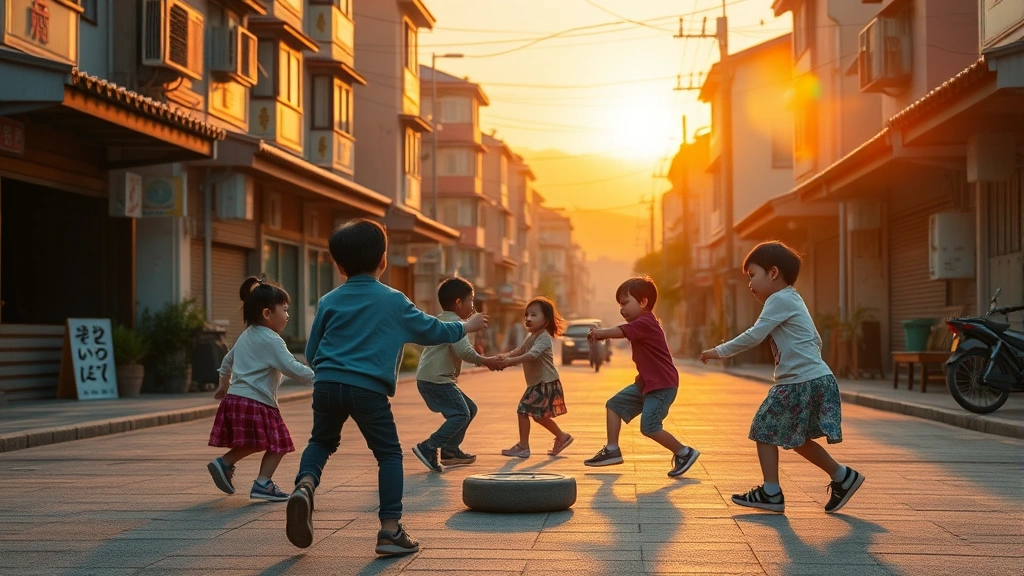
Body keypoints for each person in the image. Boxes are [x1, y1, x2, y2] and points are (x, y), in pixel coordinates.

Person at [284, 219, 488, 554]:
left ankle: (305, 485)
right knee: (388, 454)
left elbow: (311, 352)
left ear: (338, 265)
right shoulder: (394, 301)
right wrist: (467, 325)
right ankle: (390, 531)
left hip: (327, 385)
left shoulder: (329, 301)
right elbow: (435, 331)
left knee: (320, 441)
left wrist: (328, 372)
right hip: (368, 390)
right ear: (383, 260)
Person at [701, 241, 864, 514]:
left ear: (773, 272)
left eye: (753, 275)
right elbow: (815, 339)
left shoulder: (779, 300)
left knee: (763, 428)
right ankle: (842, 476)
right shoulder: (792, 298)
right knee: (794, 437)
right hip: (813, 377)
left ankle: (771, 492)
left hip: (799, 381)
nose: (750, 284)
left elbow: (755, 335)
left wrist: (719, 351)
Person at [207, 277, 314, 502]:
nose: (287, 315)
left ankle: (225, 463)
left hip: (236, 398)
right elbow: (292, 367)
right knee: (280, 442)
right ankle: (263, 483)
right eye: (284, 310)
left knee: (255, 442)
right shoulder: (272, 340)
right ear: (267, 313)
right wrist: (319, 377)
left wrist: (224, 384)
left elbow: (227, 361)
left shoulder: (246, 336)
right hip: (256, 401)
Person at [584, 276, 700, 478]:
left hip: (662, 386)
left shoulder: (646, 322)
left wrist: (600, 333)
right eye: (619, 304)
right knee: (614, 405)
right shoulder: (640, 323)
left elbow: (622, 331)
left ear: (643, 302)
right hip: (646, 385)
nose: (621, 308)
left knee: (650, 427)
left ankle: (684, 452)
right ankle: (612, 450)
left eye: (625, 303)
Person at [412, 277, 503, 472]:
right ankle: (428, 446)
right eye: (470, 300)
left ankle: (450, 450)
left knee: (469, 408)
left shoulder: (443, 320)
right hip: (437, 380)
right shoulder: (455, 324)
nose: (473, 305)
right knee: (461, 413)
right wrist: (487, 361)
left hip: (431, 378)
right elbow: (464, 352)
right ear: (459, 303)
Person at [497, 297, 574, 459]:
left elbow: (532, 355)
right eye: (526, 315)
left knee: (523, 409)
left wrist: (509, 362)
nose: (528, 318)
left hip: (545, 382)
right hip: (539, 382)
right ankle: (562, 436)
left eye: (534, 315)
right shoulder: (532, 336)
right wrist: (502, 358)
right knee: (539, 416)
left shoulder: (543, 337)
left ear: (546, 320)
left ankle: (523, 447)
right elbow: (519, 350)